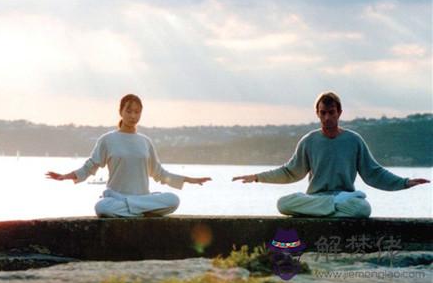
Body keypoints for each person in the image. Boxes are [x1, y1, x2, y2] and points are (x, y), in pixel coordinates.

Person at [232, 91, 429, 218]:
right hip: (316, 198)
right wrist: (258, 177)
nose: (327, 117)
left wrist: (404, 182)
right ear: (317, 113)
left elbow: (374, 173)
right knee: (282, 204)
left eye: (331, 112)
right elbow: (290, 172)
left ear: (339, 112)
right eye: (323, 113)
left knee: (363, 209)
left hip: (343, 198)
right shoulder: (309, 141)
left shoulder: (354, 140)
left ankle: (329, 206)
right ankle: (332, 205)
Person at [46, 94, 212, 218]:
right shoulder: (108, 140)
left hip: (142, 197)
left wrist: (190, 179)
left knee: (173, 200)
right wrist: (65, 176)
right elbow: (90, 166)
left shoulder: (145, 141)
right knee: (102, 207)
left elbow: (159, 173)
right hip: (117, 198)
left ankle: (133, 209)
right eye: (129, 111)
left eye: (137, 112)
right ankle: (141, 210)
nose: (133, 116)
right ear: (121, 112)